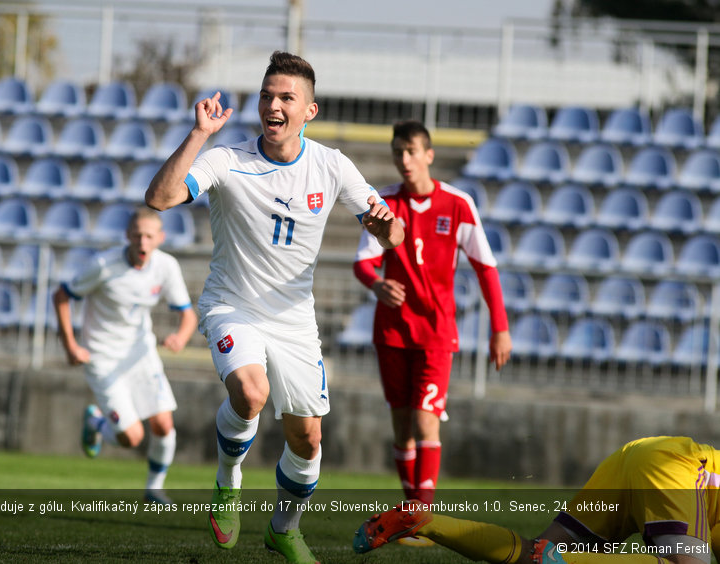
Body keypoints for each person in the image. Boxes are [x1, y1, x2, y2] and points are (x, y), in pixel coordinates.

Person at [145, 51, 404, 563]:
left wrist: (383, 227)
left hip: (293, 320)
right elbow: (159, 198)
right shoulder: (228, 159)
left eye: (287, 97)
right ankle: (227, 481)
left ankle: (283, 529)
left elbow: (392, 230)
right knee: (250, 390)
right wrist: (199, 134)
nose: (274, 105)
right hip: (231, 305)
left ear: (309, 109)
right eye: (267, 95)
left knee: (307, 438)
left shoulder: (332, 166)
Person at [353, 119, 512, 506]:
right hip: (392, 331)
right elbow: (363, 262)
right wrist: (376, 283)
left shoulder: (457, 204)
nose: (404, 160)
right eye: (397, 153)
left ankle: (422, 516)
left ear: (429, 155)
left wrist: (500, 328)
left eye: (411, 152)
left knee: (426, 421)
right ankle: (412, 513)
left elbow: (485, 267)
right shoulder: (385, 203)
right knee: (402, 428)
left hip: (437, 332)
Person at [354, 435, 720, 564]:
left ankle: (426, 520)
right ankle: (564, 561)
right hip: (674, 463)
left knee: (535, 552)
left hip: (636, 455)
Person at [52, 206, 197, 505]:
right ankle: (95, 422)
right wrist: (70, 345)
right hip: (102, 357)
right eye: (137, 235)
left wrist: (180, 338)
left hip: (140, 354)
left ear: (160, 238)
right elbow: (61, 296)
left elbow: (188, 315)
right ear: (127, 236)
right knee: (132, 438)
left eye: (149, 236)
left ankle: (154, 489)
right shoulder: (103, 265)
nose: (142, 242)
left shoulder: (166, 266)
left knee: (164, 426)